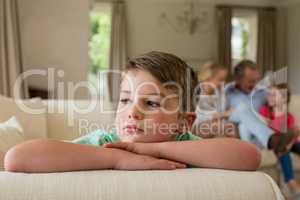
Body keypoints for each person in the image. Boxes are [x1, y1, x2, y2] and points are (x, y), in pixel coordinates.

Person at [4, 51, 261, 173]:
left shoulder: (185, 146)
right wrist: (117, 160)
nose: (132, 112)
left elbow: (249, 156)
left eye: (151, 104)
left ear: (184, 122)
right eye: (125, 100)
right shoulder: (106, 144)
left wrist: (153, 149)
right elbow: (17, 158)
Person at [216, 60, 296, 154]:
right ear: (238, 80)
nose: (255, 84)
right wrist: (227, 113)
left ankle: (258, 147)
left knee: (244, 122)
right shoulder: (227, 92)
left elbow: (278, 103)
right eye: (251, 81)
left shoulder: (263, 91)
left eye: (257, 80)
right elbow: (216, 115)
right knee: (242, 112)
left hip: (258, 134)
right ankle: (272, 140)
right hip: (237, 129)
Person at [260, 83, 300, 198]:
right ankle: (292, 183)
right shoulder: (265, 111)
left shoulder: (289, 116)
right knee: (283, 150)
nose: (269, 98)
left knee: (295, 141)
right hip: (276, 142)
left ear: (284, 99)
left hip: (290, 142)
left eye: (273, 95)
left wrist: (290, 143)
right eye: (269, 95)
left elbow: (293, 135)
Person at [193, 63, 237, 138]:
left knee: (229, 126)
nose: (223, 83)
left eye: (224, 79)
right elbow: (198, 116)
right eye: (220, 80)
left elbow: (223, 111)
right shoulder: (196, 92)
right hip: (197, 126)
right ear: (208, 78)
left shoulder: (219, 92)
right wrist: (223, 114)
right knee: (221, 127)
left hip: (215, 124)